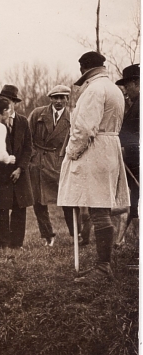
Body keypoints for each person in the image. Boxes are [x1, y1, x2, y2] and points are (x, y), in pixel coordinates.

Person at [58, 51, 129, 282]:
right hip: (110, 147)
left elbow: (85, 128)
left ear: (84, 70)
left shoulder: (94, 90)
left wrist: (71, 152)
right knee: (102, 208)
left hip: (96, 148)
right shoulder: (114, 89)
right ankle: (103, 264)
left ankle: (102, 267)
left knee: (99, 210)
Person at [0, 84, 33, 250]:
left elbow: (28, 148)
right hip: (0, 174)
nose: (7, 104)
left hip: (19, 174)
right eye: (3, 100)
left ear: (14, 103)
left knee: (20, 209)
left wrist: (20, 168)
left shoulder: (23, 121)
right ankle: (3, 244)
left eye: (10, 101)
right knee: (1, 210)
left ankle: (17, 244)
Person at [28, 85, 72, 246]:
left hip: (59, 162)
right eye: (55, 97)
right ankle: (48, 236)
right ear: (50, 99)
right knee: (38, 202)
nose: (59, 101)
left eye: (62, 97)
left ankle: (76, 234)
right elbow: (27, 138)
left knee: (67, 199)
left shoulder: (72, 118)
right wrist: (33, 157)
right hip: (38, 162)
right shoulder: (37, 114)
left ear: (67, 99)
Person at [116, 63, 140, 242]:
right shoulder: (133, 105)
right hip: (131, 161)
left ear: (137, 83)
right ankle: (122, 237)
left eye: (127, 86)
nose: (125, 91)